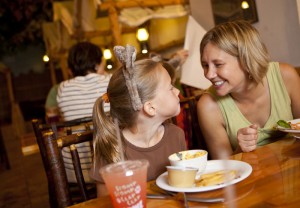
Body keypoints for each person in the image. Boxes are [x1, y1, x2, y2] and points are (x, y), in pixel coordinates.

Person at [90, 45, 187, 196]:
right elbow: (103, 202)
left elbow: (185, 187)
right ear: (150, 108)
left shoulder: (177, 135)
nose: (177, 91)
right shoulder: (112, 148)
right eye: (170, 88)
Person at [197, 20, 300, 159]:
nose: (208, 74)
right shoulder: (208, 106)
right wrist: (240, 151)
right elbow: (224, 170)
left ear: (246, 59)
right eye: (205, 65)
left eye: (218, 64)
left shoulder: (286, 76)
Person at [56, 41, 111, 183]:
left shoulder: (63, 88)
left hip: (76, 169)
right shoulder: (110, 82)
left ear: (71, 68)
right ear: (99, 64)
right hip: (110, 165)